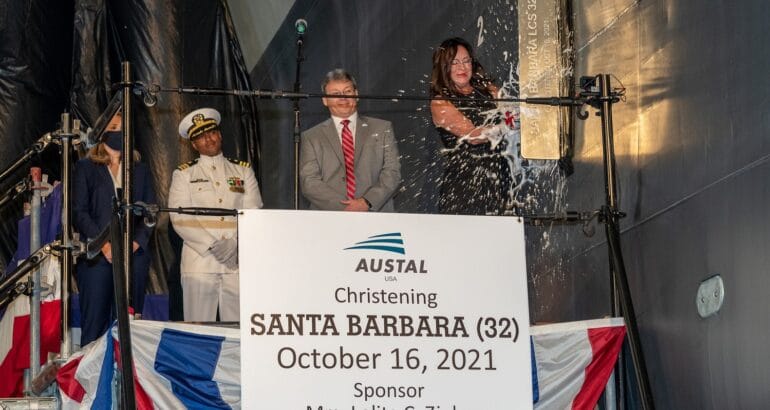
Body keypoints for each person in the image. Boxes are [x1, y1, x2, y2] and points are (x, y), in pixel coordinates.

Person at [168, 108, 262, 322]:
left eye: (211, 132)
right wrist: (212, 245)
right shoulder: (184, 174)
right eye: (201, 137)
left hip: (235, 260)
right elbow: (180, 218)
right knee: (198, 327)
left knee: (238, 328)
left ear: (219, 134)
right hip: (200, 262)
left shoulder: (243, 170)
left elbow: (253, 213)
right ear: (193, 145)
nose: (208, 139)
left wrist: (234, 243)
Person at [73, 111, 156, 346]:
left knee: (130, 326)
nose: (118, 132)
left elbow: (151, 211)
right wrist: (104, 245)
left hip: (133, 258)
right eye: (112, 128)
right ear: (101, 132)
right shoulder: (86, 167)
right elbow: (79, 212)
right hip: (97, 258)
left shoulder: (140, 170)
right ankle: (92, 370)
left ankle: (126, 369)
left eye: (122, 128)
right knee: (95, 326)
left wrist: (135, 243)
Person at [430, 37, 514, 215]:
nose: (462, 67)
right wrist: (506, 126)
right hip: (465, 189)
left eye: (466, 61)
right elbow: (474, 136)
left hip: (499, 180)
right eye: (454, 63)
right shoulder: (440, 102)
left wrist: (513, 119)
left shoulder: (489, 89)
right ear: (444, 67)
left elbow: (512, 113)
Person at [300, 69, 401, 211]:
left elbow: (393, 172)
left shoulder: (382, 128)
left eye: (347, 91)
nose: (343, 98)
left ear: (356, 94)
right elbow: (309, 182)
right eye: (335, 94)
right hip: (328, 216)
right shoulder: (311, 136)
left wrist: (366, 202)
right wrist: (346, 207)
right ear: (325, 100)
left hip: (375, 214)